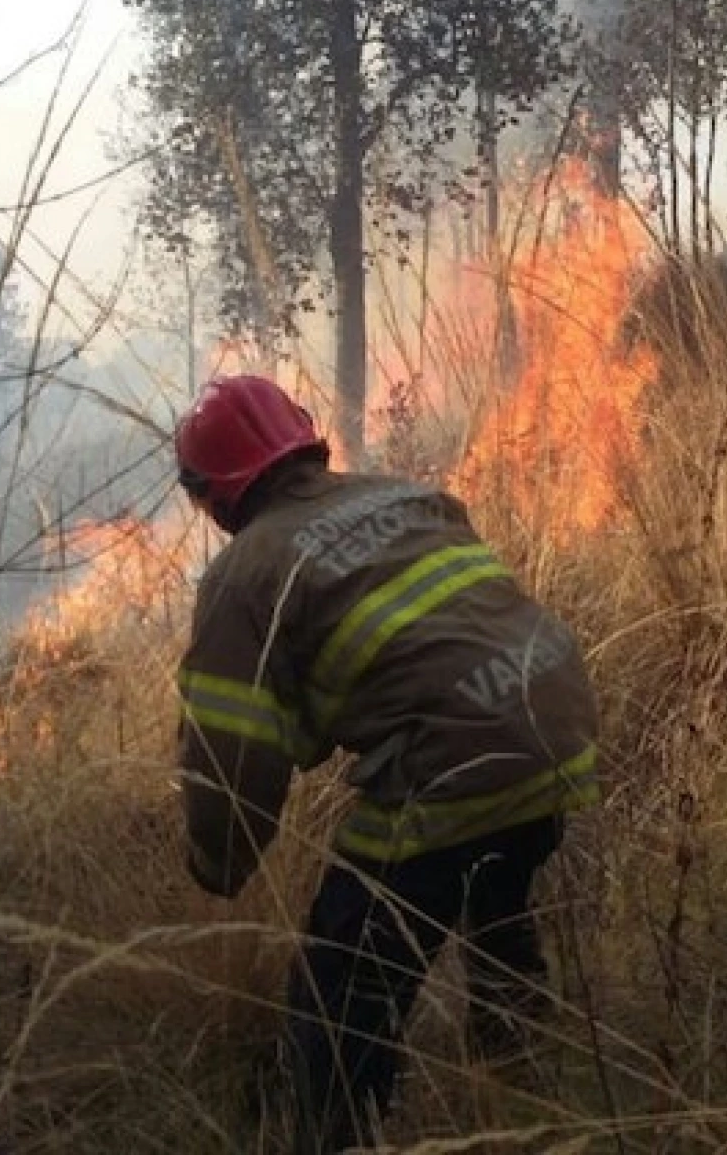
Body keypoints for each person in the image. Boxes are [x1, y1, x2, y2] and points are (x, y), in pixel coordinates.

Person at [174, 373, 599, 1153]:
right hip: (558, 727)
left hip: (449, 765)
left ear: (213, 495)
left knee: (341, 989)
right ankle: (524, 1077)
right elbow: (418, 645)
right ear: (304, 439)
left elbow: (233, 761)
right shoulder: (406, 495)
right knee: (495, 893)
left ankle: (335, 1132)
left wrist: (216, 862)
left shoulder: (243, 576)